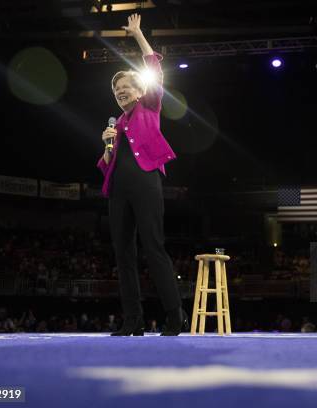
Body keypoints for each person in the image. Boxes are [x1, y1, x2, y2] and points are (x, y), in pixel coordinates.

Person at [97, 14, 187, 336]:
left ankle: (175, 316)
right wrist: (107, 146)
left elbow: (153, 65)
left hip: (146, 182)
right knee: (123, 254)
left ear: (139, 91)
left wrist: (137, 34)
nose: (120, 92)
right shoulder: (116, 127)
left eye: (125, 88)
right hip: (118, 189)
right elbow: (107, 166)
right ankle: (132, 320)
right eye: (116, 90)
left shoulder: (149, 106)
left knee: (153, 246)